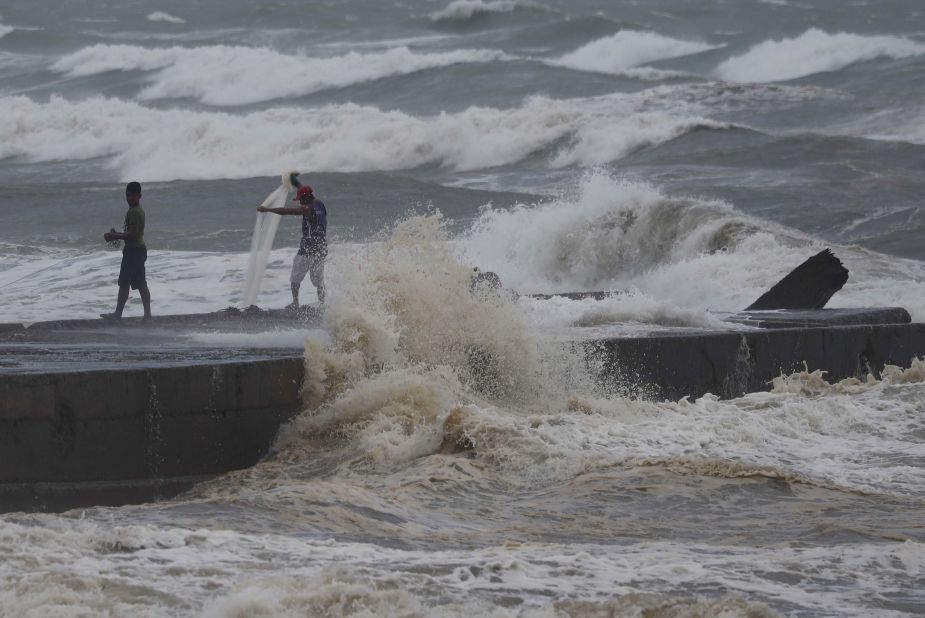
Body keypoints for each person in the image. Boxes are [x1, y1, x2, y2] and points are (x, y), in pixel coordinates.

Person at [258, 184, 327, 307]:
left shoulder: (307, 209)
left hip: (307, 249)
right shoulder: (320, 204)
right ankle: (323, 304)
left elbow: (286, 211)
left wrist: (268, 210)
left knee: (295, 277)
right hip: (321, 248)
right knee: (319, 280)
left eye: (300, 199)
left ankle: (295, 302)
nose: (300, 202)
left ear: (306, 198)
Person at [101, 181, 151, 319]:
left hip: (134, 251)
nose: (130, 198)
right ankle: (145, 315)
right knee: (130, 283)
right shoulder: (135, 211)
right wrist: (117, 233)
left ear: (139, 196)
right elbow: (131, 233)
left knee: (134, 284)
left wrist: (113, 236)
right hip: (135, 251)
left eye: (133, 196)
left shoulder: (134, 212)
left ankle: (124, 314)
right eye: (128, 195)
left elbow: (132, 235)